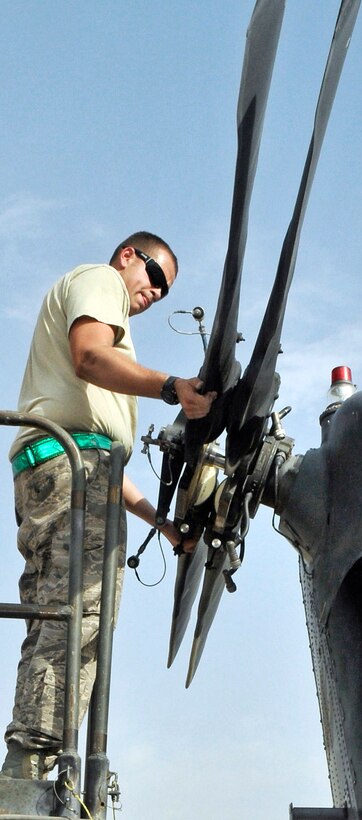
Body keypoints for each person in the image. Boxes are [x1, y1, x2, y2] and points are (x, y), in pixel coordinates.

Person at [1, 231, 214, 780]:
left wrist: (162, 524)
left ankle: (42, 761)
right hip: (68, 473)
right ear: (127, 257)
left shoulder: (120, 342)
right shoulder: (100, 283)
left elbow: (107, 461)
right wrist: (172, 388)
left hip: (85, 473)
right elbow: (88, 357)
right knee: (75, 615)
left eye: (165, 292)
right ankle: (26, 769)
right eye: (156, 277)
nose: (156, 294)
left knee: (81, 619)